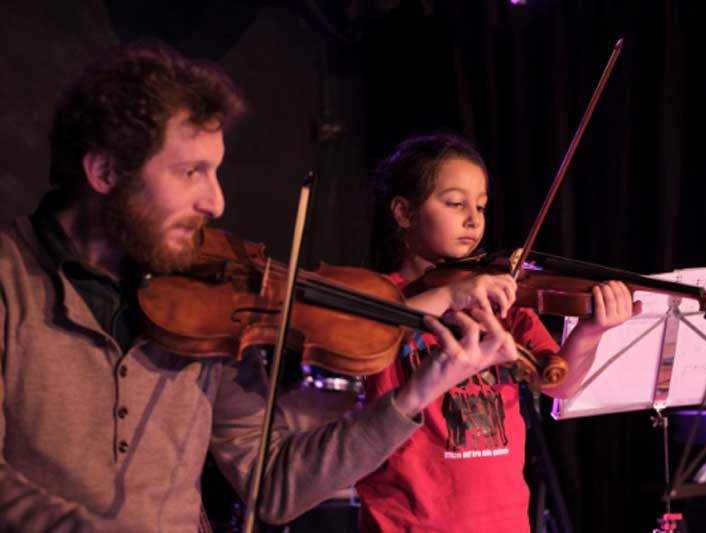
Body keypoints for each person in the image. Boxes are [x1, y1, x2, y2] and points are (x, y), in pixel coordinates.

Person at [0, 43, 522, 532]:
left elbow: (273, 483)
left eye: (217, 171)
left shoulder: (213, 301)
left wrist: (415, 395)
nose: (215, 202)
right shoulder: (10, 279)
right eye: (191, 172)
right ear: (104, 171)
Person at [356, 134, 642, 532]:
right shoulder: (379, 296)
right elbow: (365, 328)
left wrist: (590, 333)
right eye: (455, 203)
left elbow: (559, 383)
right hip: (410, 523)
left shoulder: (500, 299)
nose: (473, 219)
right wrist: (448, 295)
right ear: (404, 212)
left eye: (481, 206)